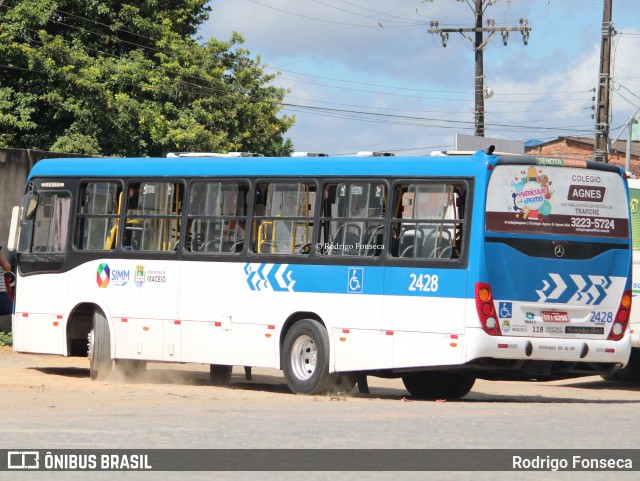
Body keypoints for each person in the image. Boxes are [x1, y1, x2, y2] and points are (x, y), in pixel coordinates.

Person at [0, 247, 14, 316]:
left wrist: (1, 260)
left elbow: (8, 269)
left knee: (11, 309)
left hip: (1, 294)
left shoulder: (1, 261)